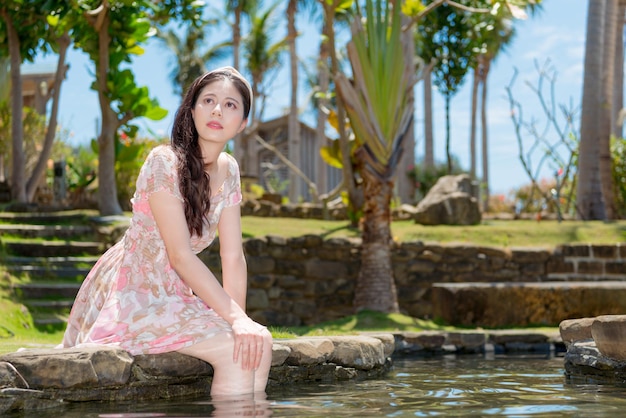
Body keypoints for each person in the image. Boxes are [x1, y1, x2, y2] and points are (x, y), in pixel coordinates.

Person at [60, 66, 273, 397]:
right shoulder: (164, 162)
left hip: (175, 293)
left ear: (243, 122)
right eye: (209, 100)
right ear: (191, 108)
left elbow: (233, 257)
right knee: (234, 355)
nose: (218, 110)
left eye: (231, 105)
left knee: (260, 345)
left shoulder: (229, 170)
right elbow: (180, 255)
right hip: (134, 288)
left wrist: (240, 322)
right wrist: (236, 322)